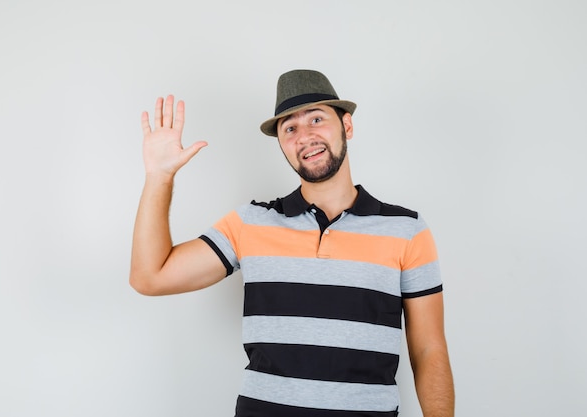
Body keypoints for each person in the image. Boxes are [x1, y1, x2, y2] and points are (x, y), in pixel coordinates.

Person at [130, 69, 455, 417]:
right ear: (282, 143)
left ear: (347, 126)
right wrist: (159, 176)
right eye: (290, 128)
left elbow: (428, 351)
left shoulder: (406, 230)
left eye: (317, 118)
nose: (305, 136)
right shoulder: (249, 223)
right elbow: (151, 276)